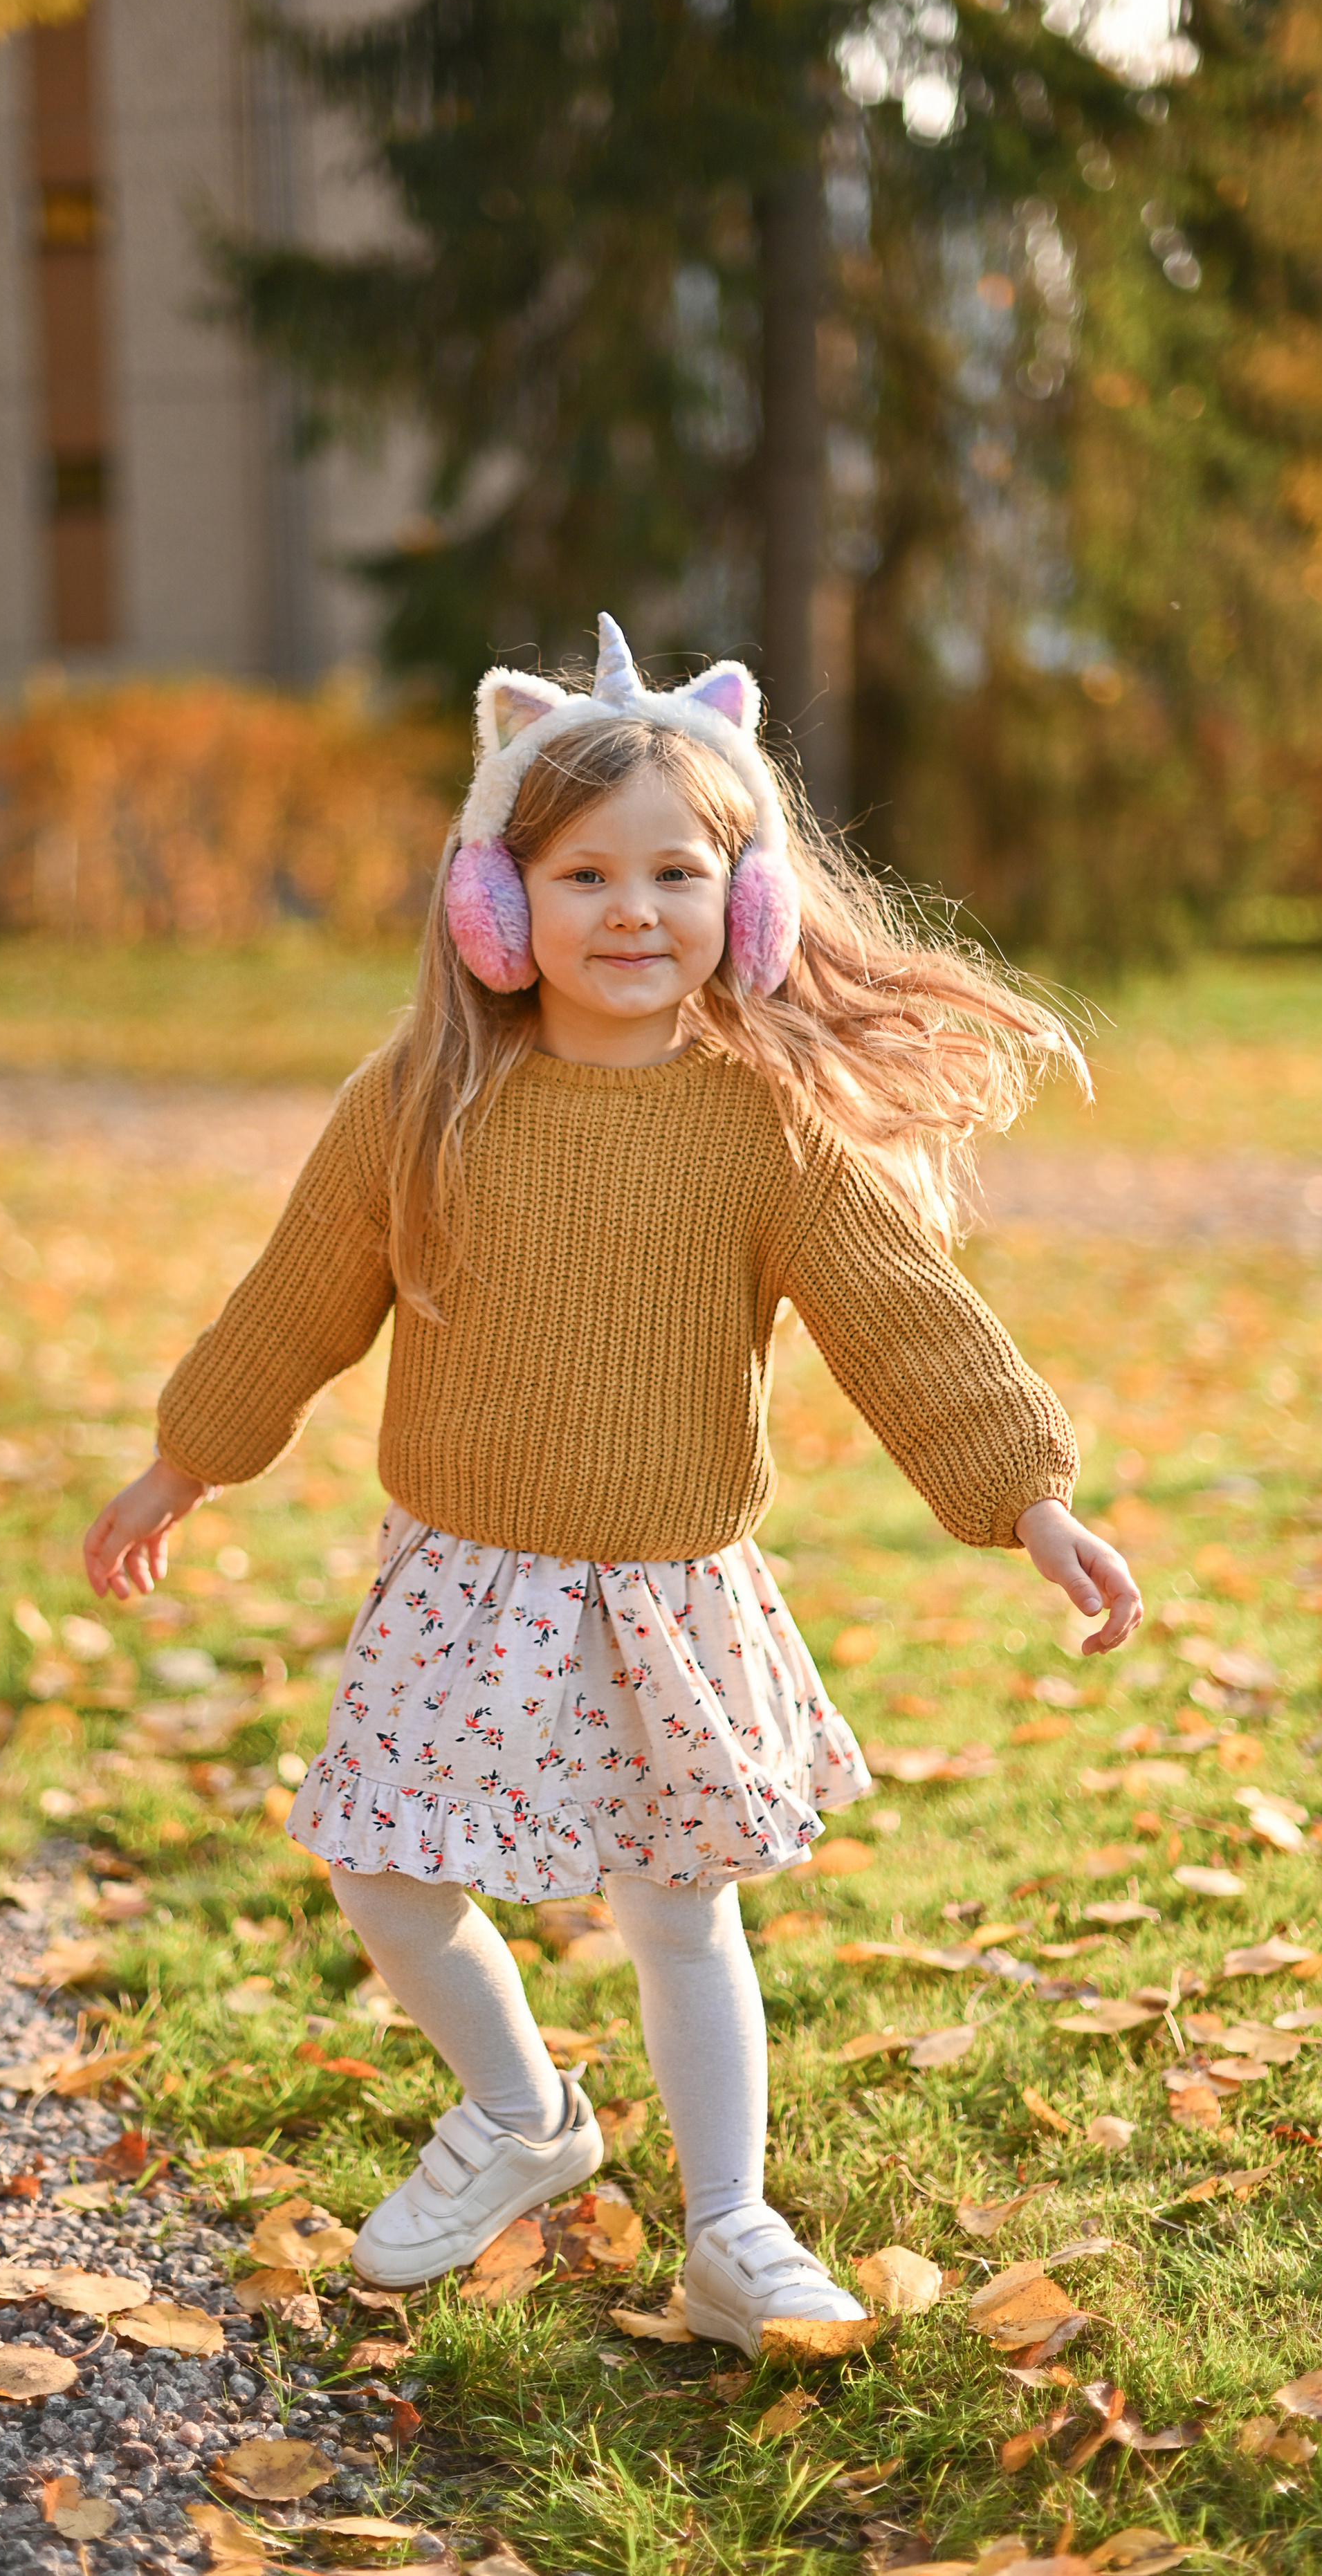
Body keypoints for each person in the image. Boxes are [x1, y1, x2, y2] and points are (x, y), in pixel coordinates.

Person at [83, 615, 1141, 2354]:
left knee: (676, 1904)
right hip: (461, 1569)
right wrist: (182, 1460)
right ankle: (518, 2112)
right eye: (581, 874)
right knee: (383, 1875)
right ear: (493, 905)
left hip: (667, 1584)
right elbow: (296, 1299)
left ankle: (727, 2224)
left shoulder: (763, 1121)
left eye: (675, 870)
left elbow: (905, 1320)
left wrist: (1027, 1492)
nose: (631, 908)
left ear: (752, 901)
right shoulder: (424, 1099)